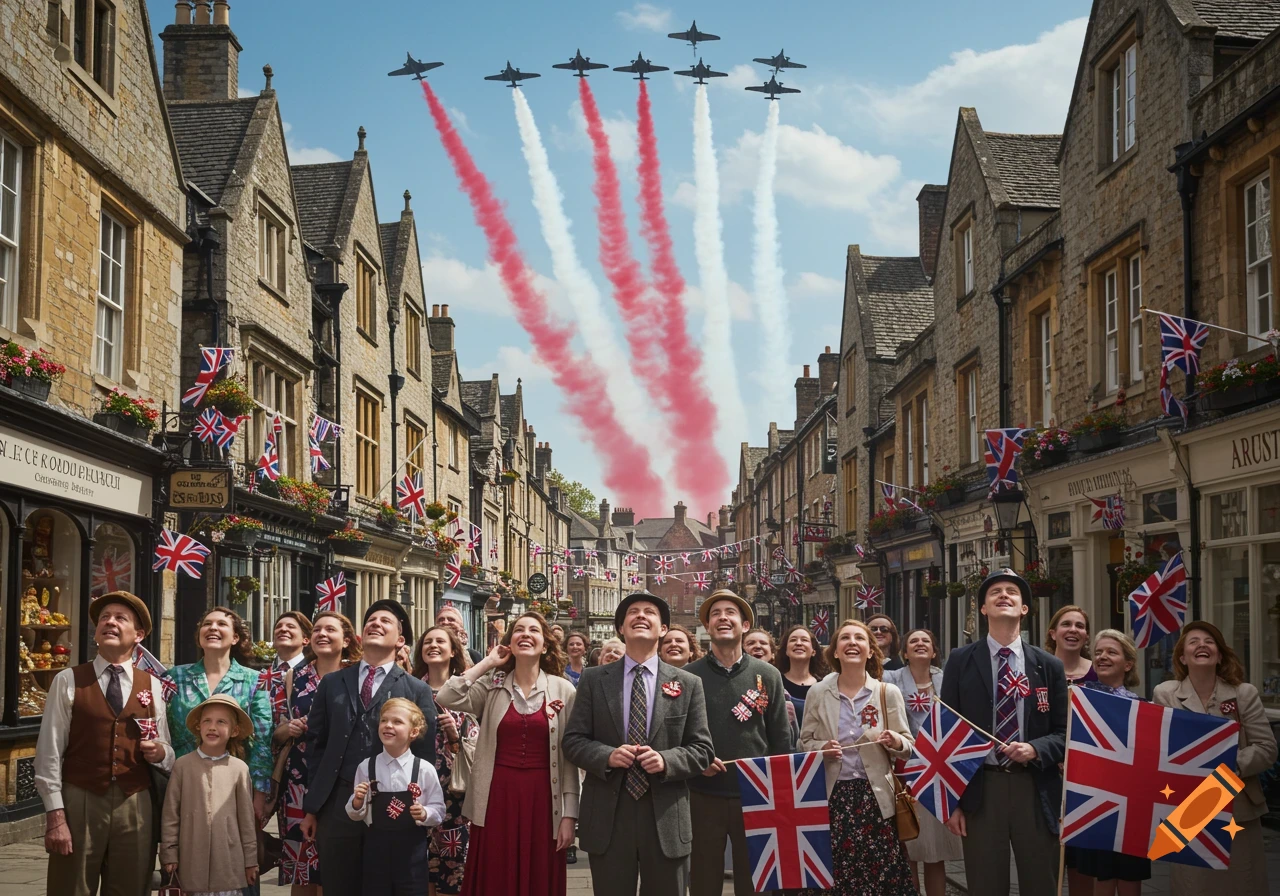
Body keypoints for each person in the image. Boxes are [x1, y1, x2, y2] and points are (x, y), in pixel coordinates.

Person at [563, 591, 715, 896]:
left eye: (650, 612)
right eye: (633, 612)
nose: (641, 616)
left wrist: (667, 760)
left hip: (665, 816)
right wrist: (606, 756)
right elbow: (573, 740)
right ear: (621, 628)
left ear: (662, 629)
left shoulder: (688, 683)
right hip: (609, 814)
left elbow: (702, 750)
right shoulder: (594, 680)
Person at [35, 591, 174, 896]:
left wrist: (161, 752)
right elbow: (49, 753)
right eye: (104, 618)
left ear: (138, 635)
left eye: (120, 618)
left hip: (135, 802)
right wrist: (55, 816)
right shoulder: (68, 680)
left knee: (131, 887)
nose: (110, 622)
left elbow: (167, 750)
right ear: (96, 632)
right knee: (70, 887)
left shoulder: (151, 684)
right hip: (79, 798)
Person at [940, 568, 1067, 896]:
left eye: (1012, 591)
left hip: (1035, 788)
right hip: (982, 790)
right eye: (995, 591)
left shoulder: (1048, 665)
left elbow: (1065, 732)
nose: (1003, 595)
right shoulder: (960, 660)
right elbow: (945, 733)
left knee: (1041, 882)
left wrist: (1036, 749)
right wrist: (951, 803)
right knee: (985, 885)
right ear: (983, 608)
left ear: (1024, 608)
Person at [436, 612, 580, 896]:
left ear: (546, 644)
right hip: (495, 795)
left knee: (539, 870)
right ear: (509, 643)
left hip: (544, 797)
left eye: (533, 631)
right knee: (496, 869)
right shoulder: (492, 684)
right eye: (518, 631)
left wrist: (570, 815)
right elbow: (446, 696)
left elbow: (570, 760)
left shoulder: (563, 689)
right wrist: (488, 662)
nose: (525, 634)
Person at [302, 600, 438, 896]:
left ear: (400, 641)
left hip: (394, 806)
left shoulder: (417, 690)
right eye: (371, 620)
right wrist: (312, 807)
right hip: (338, 801)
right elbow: (316, 745)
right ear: (361, 637)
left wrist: (421, 809)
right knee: (339, 884)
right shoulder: (333, 683)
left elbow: (425, 754)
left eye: (385, 621)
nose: (376, 623)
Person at [1153, 622, 1276, 896]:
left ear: (1219, 655)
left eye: (1209, 642)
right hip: (1188, 808)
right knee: (1193, 885)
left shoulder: (1244, 694)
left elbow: (1267, 747)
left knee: (1242, 883)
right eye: (1193, 641)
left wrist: (1227, 765)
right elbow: (1160, 749)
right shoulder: (1166, 693)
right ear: (1183, 657)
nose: (1202, 645)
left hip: (1238, 807)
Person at [799, 619, 916, 895]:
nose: (852, 643)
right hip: (833, 798)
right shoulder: (818, 692)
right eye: (845, 639)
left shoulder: (888, 692)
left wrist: (894, 740)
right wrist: (821, 749)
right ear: (836, 652)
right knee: (835, 879)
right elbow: (804, 742)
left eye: (860, 639)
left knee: (879, 881)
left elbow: (908, 745)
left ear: (870, 651)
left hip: (876, 801)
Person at [685, 590, 791, 896]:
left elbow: (780, 739)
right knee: (704, 880)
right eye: (715, 613)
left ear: (744, 625)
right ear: (707, 625)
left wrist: (780, 794)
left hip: (756, 795)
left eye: (730, 612)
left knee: (754, 882)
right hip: (702, 794)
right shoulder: (688, 676)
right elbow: (677, 737)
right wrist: (696, 763)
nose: (722, 618)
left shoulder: (768, 674)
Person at [276, 610, 360, 894]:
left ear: (346, 640)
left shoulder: (358, 679)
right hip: (300, 783)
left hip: (342, 783)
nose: (322, 635)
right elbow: (274, 733)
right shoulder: (292, 678)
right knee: (303, 870)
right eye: (317, 630)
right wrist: (290, 729)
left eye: (330, 630)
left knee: (336, 867)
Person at [163, 607, 274, 822]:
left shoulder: (254, 681)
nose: (213, 627)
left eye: (221, 624)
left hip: (233, 786)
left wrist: (259, 794)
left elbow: (262, 741)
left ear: (235, 638)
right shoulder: (174, 677)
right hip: (184, 783)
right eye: (207, 624)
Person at [883, 628, 960, 896]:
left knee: (934, 851)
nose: (919, 644)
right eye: (913, 641)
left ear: (935, 651)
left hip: (939, 773)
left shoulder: (947, 679)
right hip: (905, 771)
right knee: (909, 848)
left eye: (925, 640)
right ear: (904, 652)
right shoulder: (890, 679)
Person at [1072, 630, 1150, 896]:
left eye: (1111, 652)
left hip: (1132, 807)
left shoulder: (1144, 708)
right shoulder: (1078, 700)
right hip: (1096, 803)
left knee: (1130, 876)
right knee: (1102, 876)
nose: (1102, 657)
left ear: (1128, 664)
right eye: (1098, 652)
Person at [346, 697, 448, 895]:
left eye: (397, 721)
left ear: (414, 732)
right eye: (384, 720)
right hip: (376, 848)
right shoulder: (366, 767)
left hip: (412, 850)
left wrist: (424, 813)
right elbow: (356, 814)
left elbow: (439, 810)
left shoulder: (424, 769)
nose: (388, 725)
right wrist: (357, 802)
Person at [161, 693, 259, 894]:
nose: (212, 727)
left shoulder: (239, 769)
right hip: (191, 861)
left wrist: (250, 860)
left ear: (234, 731)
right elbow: (171, 815)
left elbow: (247, 820)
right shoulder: (182, 766)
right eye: (207, 721)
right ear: (199, 726)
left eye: (221, 722)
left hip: (229, 862)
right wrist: (169, 853)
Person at [414, 624, 479, 896]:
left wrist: (455, 734)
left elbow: (479, 743)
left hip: (456, 795)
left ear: (453, 651)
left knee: (454, 873)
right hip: (418, 792)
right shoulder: (411, 689)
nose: (433, 645)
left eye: (440, 641)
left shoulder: (468, 692)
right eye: (427, 641)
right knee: (420, 869)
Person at [774, 623, 827, 729]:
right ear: (786, 651)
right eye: (793, 640)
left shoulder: (824, 686)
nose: (798, 643)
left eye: (804, 640)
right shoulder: (776, 683)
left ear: (813, 651)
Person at [1046, 605, 1096, 684]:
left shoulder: (1098, 672)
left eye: (1079, 626)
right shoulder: (1039, 672)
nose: (1073, 630)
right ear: (1053, 634)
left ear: (1086, 636)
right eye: (1066, 624)